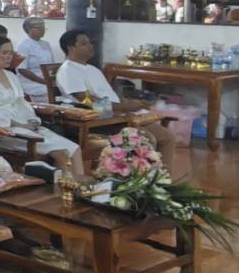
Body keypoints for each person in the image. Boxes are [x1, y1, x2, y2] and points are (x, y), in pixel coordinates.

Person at [56, 29, 177, 171]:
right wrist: (121, 108)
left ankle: (161, 181)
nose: (90, 46)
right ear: (71, 48)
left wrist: (130, 103)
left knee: (167, 137)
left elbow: (110, 94)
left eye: (90, 42)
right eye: (84, 44)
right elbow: (86, 100)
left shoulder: (92, 69)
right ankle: (139, 184)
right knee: (148, 139)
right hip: (100, 121)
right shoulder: (68, 70)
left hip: (121, 116)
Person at [0, 35, 84, 181]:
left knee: (75, 149)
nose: (9, 57)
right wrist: (21, 125)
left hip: (27, 126)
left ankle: (81, 190)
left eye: (11, 53)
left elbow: (22, 103)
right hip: (5, 131)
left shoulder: (10, 75)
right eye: (4, 53)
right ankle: (66, 191)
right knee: (61, 153)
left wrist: (33, 120)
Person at [14, 18, 57, 102]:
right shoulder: (23, 45)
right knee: (51, 91)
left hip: (47, 80)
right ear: (29, 29)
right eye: (39, 27)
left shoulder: (46, 44)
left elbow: (51, 65)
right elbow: (22, 69)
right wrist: (45, 81)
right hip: (31, 83)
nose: (43, 29)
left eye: (43, 26)